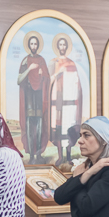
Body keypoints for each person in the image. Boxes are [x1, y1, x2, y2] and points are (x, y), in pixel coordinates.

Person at [17, 34, 51, 164]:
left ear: (38, 45)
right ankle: (32, 155)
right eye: (31, 44)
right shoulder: (25, 61)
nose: (33, 46)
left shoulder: (41, 60)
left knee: (40, 127)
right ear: (28, 45)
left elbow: (47, 78)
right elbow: (19, 80)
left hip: (39, 98)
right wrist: (29, 69)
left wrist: (43, 75)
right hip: (29, 98)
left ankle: (39, 155)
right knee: (30, 127)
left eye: (35, 44)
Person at [49, 35, 82, 166]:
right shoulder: (53, 62)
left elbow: (76, 83)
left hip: (69, 103)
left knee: (68, 128)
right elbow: (49, 80)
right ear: (57, 47)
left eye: (64, 45)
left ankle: (68, 156)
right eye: (60, 45)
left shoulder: (72, 63)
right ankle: (60, 156)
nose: (62, 47)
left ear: (66, 47)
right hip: (57, 101)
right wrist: (57, 74)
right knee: (58, 129)